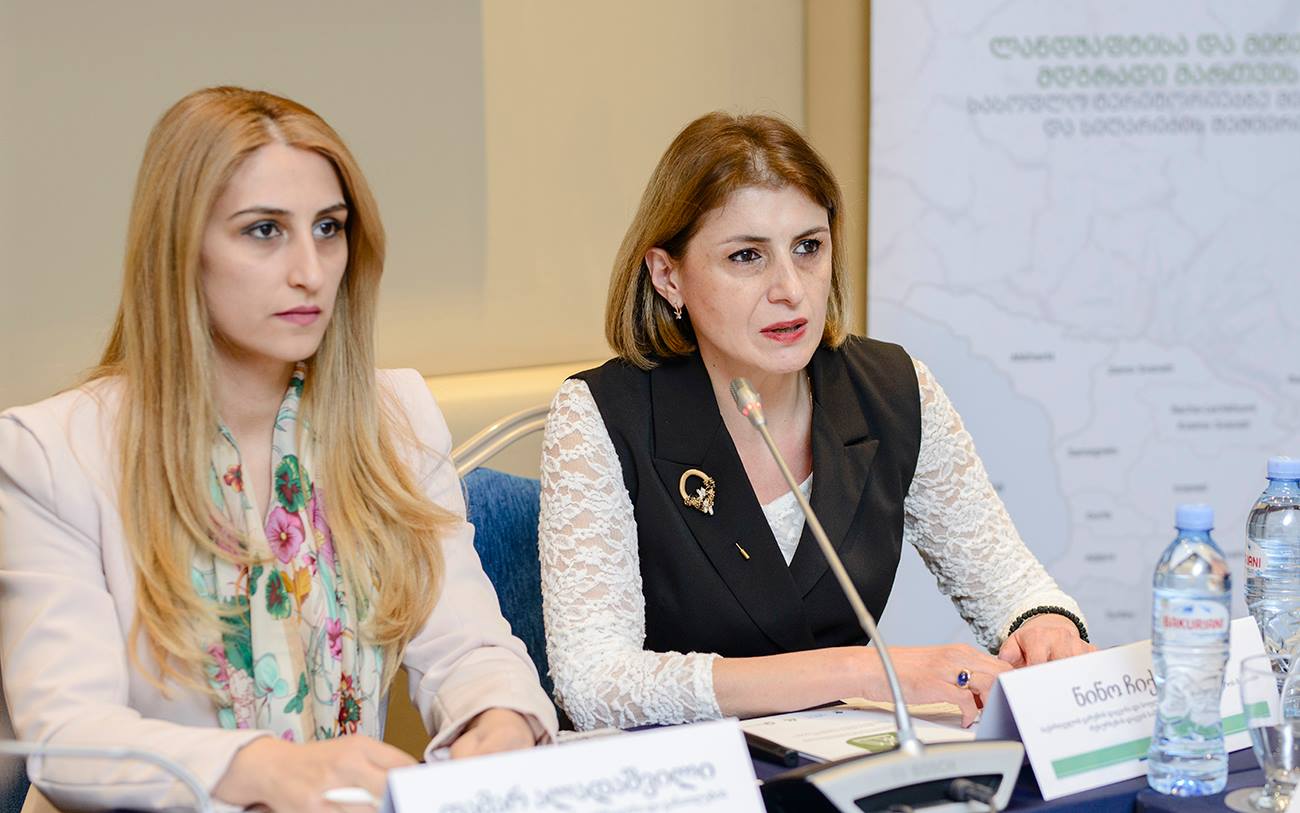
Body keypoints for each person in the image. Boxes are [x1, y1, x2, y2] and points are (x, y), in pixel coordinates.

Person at [0, 87, 557, 813]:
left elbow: (468, 648)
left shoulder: (395, 419)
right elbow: (70, 737)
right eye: (264, 230)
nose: (312, 270)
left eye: (329, 228)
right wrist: (263, 769)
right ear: (178, 249)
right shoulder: (50, 452)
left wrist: (498, 720)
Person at [538, 112, 1094, 732]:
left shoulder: (892, 389)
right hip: (679, 770)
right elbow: (595, 684)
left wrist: (1046, 626)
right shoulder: (600, 414)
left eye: (808, 247)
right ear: (669, 276)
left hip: (843, 759)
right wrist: (864, 672)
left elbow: (1013, 585)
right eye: (747, 256)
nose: (791, 289)